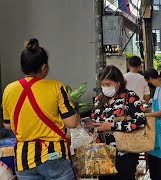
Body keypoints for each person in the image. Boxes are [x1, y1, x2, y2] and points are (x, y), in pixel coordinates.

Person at [2, 38, 79, 179]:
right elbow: (72, 123)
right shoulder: (56, 86)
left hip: (24, 160)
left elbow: (7, 124)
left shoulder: (9, 89)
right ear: (44, 67)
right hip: (54, 156)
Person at [92, 65, 146, 180]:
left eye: (108, 84)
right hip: (103, 153)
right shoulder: (99, 100)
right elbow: (94, 118)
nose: (105, 88)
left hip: (125, 152)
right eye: (102, 85)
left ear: (118, 83)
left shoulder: (130, 97)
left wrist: (111, 126)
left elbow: (140, 121)